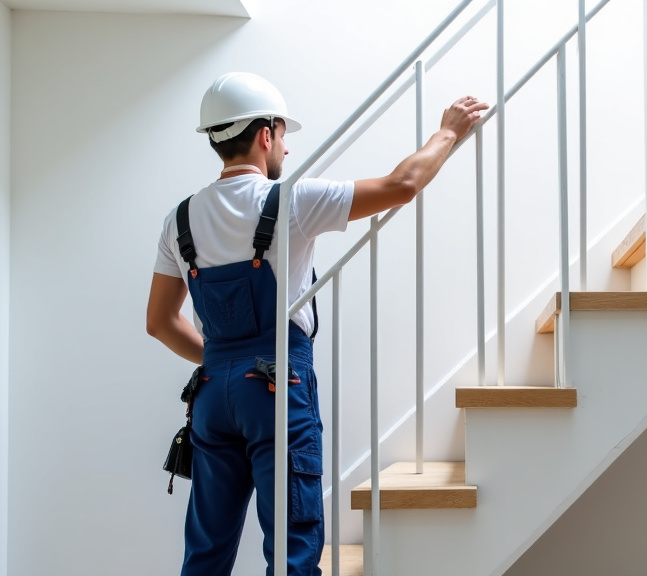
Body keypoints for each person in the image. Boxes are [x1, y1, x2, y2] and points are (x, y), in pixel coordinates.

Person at [146, 71, 488, 576]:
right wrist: (448, 132)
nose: (283, 147)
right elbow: (402, 185)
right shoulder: (292, 201)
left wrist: (225, 362)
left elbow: (160, 322)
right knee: (291, 547)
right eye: (283, 135)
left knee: (206, 550)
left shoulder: (180, 220)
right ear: (266, 134)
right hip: (275, 386)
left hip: (212, 392)